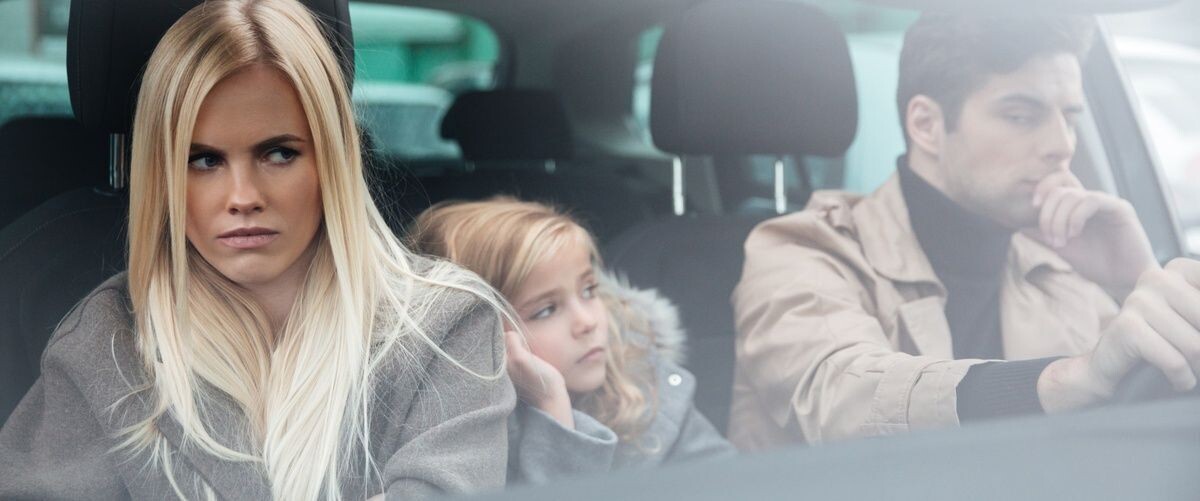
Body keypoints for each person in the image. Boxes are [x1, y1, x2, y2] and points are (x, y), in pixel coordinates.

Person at [0, 1, 515, 499]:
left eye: (279, 153)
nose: (243, 197)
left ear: (332, 159)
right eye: (204, 160)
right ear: (162, 176)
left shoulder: (442, 327)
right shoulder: (106, 346)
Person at [729, 12, 1200, 448]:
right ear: (926, 125)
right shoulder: (800, 251)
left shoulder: (1063, 266)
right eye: (1021, 116)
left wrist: (1134, 281)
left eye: (1070, 118)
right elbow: (841, 399)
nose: (1062, 145)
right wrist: (1069, 380)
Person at [407, 197, 734, 485]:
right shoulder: (456, 447)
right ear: (473, 335)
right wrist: (553, 408)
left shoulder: (641, 389)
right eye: (546, 310)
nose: (587, 322)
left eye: (589, 290)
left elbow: (734, 483)